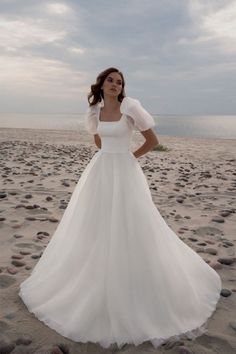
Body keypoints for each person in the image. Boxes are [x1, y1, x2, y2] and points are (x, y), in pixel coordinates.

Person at [19, 67, 222, 350]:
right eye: (111, 80)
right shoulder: (94, 112)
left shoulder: (130, 108)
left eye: (120, 82)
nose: (115, 84)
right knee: (94, 225)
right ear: (101, 84)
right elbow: (98, 139)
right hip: (100, 171)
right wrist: (108, 153)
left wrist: (129, 157)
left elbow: (153, 141)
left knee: (134, 225)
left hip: (125, 172)